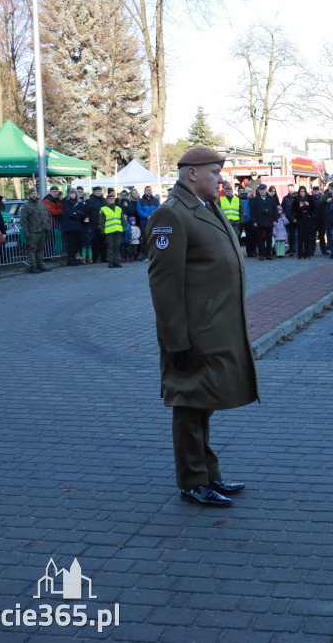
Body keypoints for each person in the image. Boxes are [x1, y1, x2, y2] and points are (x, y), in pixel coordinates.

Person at [146, 146, 259, 507]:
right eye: (215, 171)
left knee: (203, 404)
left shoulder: (206, 207)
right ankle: (193, 481)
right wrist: (175, 341)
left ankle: (210, 474)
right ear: (192, 173)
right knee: (190, 404)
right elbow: (164, 285)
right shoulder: (172, 214)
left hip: (214, 328)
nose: (221, 178)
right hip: (192, 332)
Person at [21, 187, 52, 273]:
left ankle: (40, 264)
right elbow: (23, 221)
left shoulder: (41, 204)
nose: (34, 195)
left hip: (43, 230)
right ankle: (33, 266)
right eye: (32, 194)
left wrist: (48, 228)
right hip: (33, 232)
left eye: (35, 193)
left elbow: (46, 217)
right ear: (29, 195)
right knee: (32, 249)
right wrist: (27, 233)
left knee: (40, 249)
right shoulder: (26, 206)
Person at [251, 184, 278, 260]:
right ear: (259, 191)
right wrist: (254, 221)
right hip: (259, 221)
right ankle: (261, 254)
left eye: (263, 190)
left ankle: (268, 254)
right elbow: (252, 211)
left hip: (269, 221)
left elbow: (275, 210)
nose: (262, 191)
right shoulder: (255, 199)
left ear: (266, 190)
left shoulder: (271, 199)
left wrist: (275, 220)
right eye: (261, 190)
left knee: (269, 239)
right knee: (260, 239)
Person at [99, 193, 125, 268]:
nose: (111, 200)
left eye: (113, 198)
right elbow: (101, 222)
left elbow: (122, 220)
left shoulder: (118, 209)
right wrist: (102, 231)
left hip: (118, 230)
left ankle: (116, 261)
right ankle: (110, 262)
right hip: (109, 232)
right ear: (107, 200)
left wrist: (124, 229)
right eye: (110, 199)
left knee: (117, 247)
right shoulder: (103, 209)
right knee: (110, 247)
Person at [61, 188, 85, 266]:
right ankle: (70, 259)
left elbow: (82, 212)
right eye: (71, 193)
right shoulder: (65, 202)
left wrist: (76, 214)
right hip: (69, 226)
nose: (73, 195)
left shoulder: (77, 202)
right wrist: (76, 214)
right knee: (71, 244)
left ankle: (73, 258)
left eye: (74, 193)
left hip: (77, 226)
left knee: (76, 244)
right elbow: (69, 213)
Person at [292, 187, 317, 259]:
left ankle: (307, 253)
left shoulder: (309, 198)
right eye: (301, 191)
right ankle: (300, 254)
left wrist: (308, 205)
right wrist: (299, 206)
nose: (302, 193)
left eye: (303, 191)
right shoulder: (296, 199)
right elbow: (294, 210)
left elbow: (314, 209)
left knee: (307, 237)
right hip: (300, 220)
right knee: (300, 237)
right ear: (299, 192)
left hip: (308, 219)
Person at [43, 185, 64, 254]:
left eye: (57, 191)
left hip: (55, 222)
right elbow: (50, 211)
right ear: (50, 192)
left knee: (53, 239)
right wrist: (60, 211)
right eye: (54, 191)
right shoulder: (47, 200)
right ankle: (48, 253)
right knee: (49, 239)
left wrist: (59, 211)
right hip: (49, 222)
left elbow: (60, 207)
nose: (56, 193)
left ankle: (51, 252)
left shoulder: (57, 199)